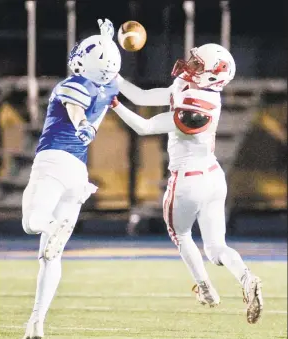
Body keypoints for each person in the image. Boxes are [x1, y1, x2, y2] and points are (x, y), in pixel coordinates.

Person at [111, 43, 263, 324]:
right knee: (217, 248)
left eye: (197, 64)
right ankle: (246, 277)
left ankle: (205, 289)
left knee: (181, 234)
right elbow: (142, 95)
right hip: (213, 177)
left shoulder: (199, 107)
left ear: (212, 75)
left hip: (187, 180)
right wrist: (113, 75)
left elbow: (144, 127)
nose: (189, 65)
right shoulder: (189, 87)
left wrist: (115, 104)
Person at [22, 19, 120, 339]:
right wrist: (108, 42)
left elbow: (76, 107)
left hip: (53, 161)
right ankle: (36, 321)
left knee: (32, 221)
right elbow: (106, 78)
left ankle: (52, 227)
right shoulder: (108, 89)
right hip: (78, 174)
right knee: (51, 257)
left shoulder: (72, 83)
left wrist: (82, 125)